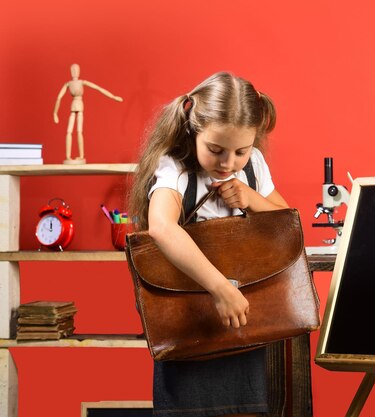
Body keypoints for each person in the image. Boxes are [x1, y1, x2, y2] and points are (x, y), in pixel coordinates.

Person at [128, 72, 288, 417]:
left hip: (245, 321)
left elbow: (286, 220)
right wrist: (221, 289)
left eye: (240, 151)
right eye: (215, 150)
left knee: (247, 409)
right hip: (190, 319)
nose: (228, 163)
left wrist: (251, 198)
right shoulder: (174, 169)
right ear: (193, 129)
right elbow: (162, 227)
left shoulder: (253, 167)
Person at [53, 63, 123, 164]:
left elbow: (98, 88)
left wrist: (113, 96)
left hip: (79, 105)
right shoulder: (68, 84)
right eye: (73, 69)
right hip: (74, 106)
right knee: (69, 131)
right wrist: (55, 113)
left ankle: (81, 156)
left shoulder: (81, 82)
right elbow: (59, 98)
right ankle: (68, 156)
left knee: (79, 131)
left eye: (76, 69)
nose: (74, 72)